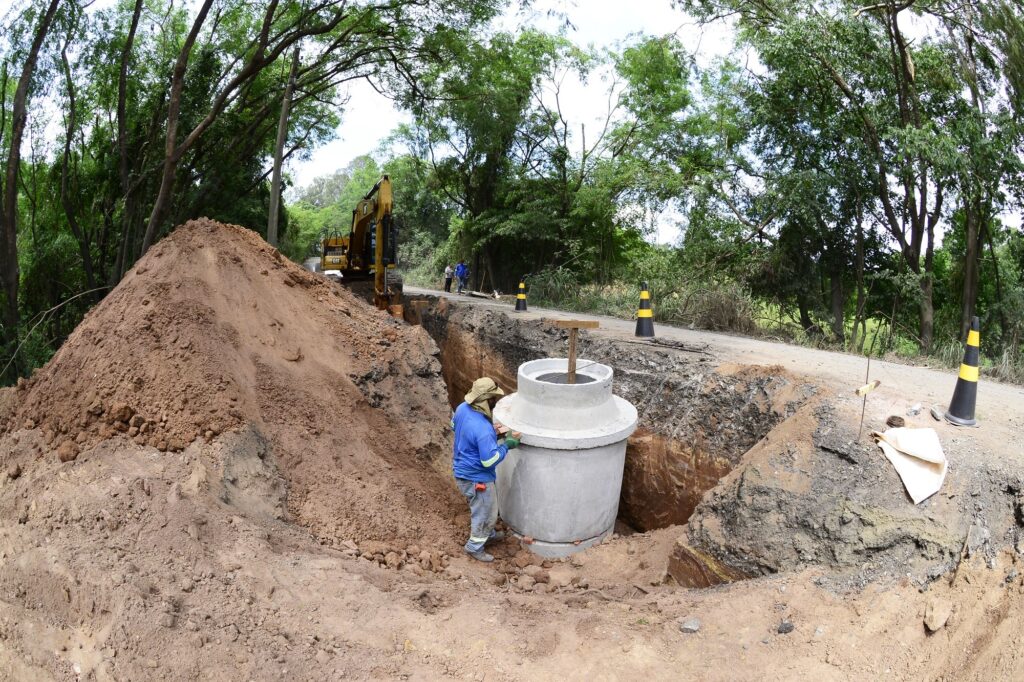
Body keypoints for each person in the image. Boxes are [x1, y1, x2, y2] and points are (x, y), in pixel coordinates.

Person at [451, 377, 521, 562]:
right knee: (486, 511)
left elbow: (455, 426)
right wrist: (508, 444)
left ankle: (486, 535)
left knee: (483, 508)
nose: (495, 402)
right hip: (477, 478)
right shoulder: (482, 429)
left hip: (462, 469)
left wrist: (491, 433)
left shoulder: (461, 409)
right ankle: (474, 547)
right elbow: (489, 461)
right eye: (493, 399)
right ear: (486, 400)